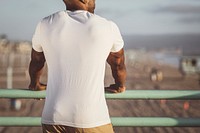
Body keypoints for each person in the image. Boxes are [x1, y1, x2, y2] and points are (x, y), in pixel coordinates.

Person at [28, 0, 126, 132]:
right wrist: (120, 85)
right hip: (90, 119)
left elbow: (36, 60)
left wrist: (35, 83)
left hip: (52, 118)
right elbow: (118, 63)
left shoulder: (45, 24)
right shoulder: (107, 27)